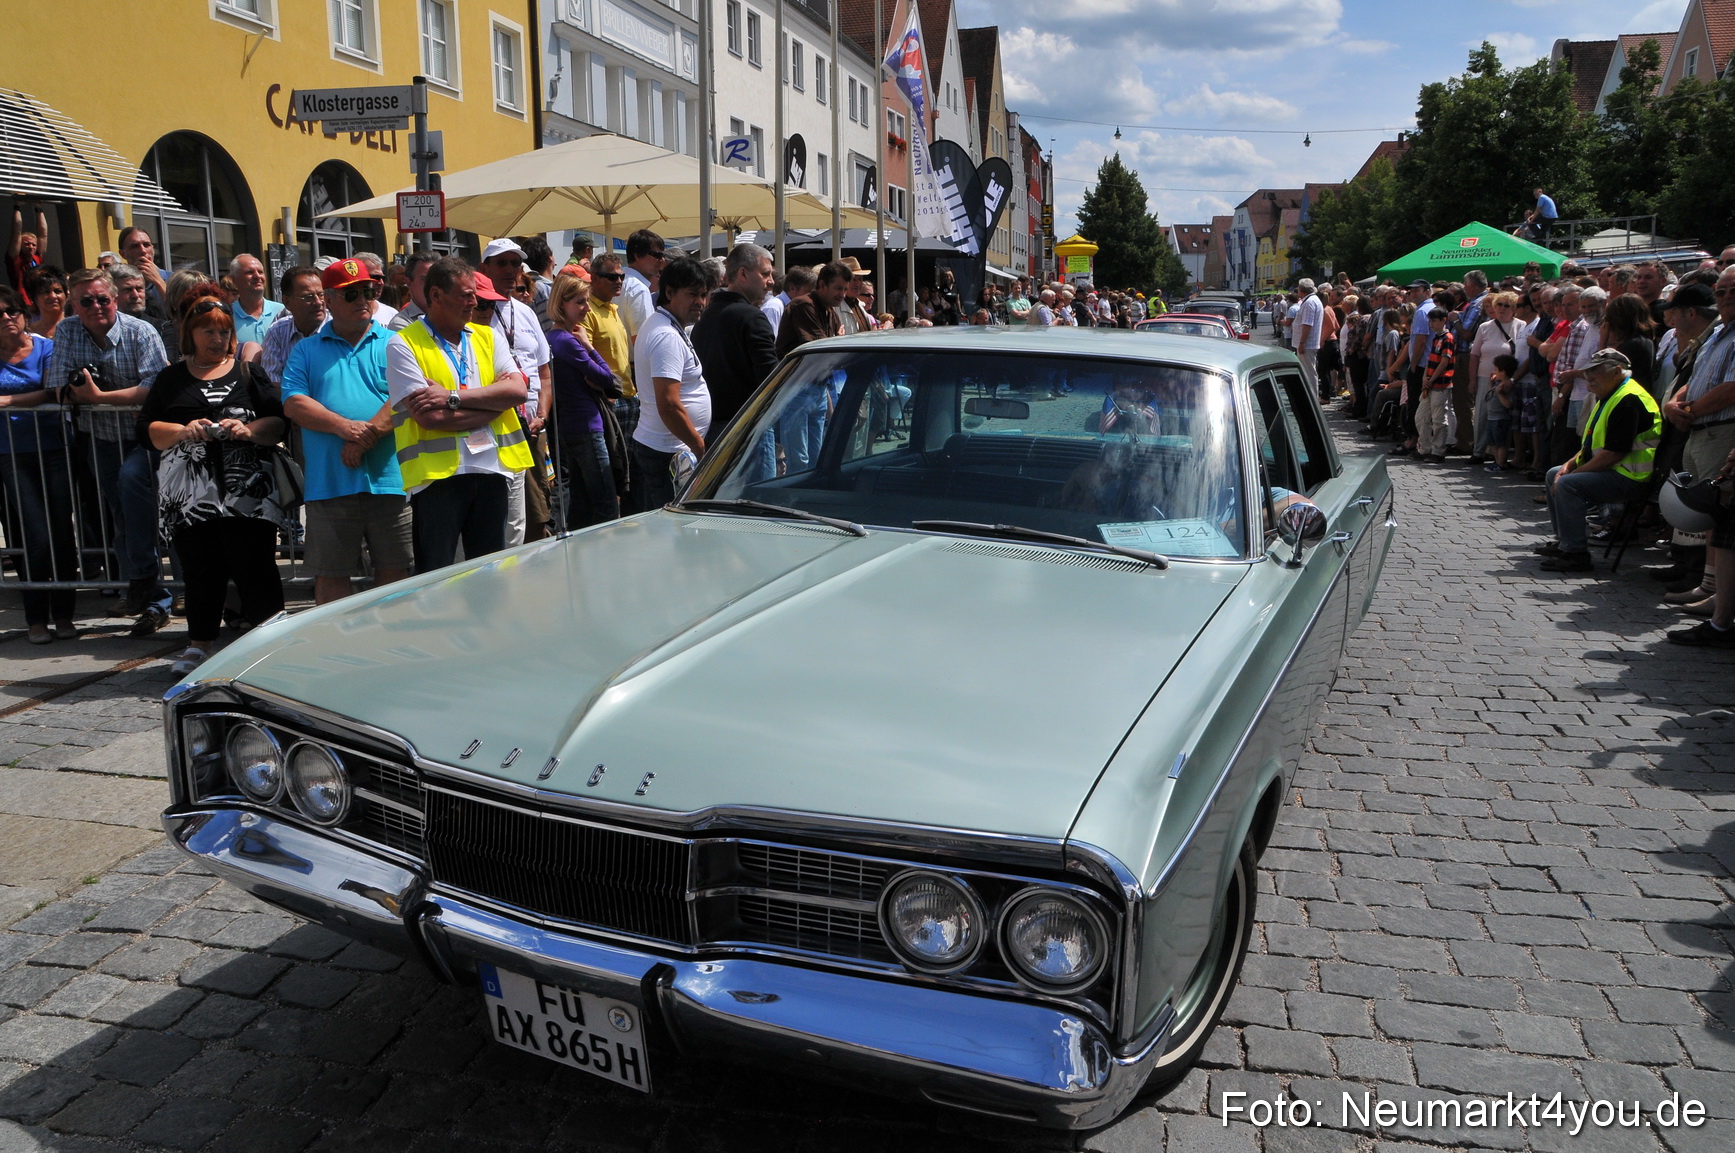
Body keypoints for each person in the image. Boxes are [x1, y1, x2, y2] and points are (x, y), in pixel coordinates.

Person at [137, 290, 288, 676]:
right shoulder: (170, 379)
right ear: (190, 333)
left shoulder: (248, 373)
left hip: (247, 493)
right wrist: (182, 431)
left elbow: (277, 422)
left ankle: (273, 646)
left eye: (223, 332)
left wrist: (249, 429)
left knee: (256, 567)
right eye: (208, 331)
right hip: (188, 498)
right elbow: (146, 431)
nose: (217, 339)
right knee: (200, 570)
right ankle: (198, 645)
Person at [386, 257, 532, 572]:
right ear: (436, 295)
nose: (474, 302)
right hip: (437, 480)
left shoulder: (487, 337)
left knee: (489, 573)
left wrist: (451, 397)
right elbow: (430, 419)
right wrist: (494, 405)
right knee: (438, 576)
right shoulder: (403, 344)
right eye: (466, 295)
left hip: (491, 470)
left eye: (474, 295)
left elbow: (518, 392)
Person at [45, 267, 171, 629]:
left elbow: (155, 387)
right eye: (86, 301)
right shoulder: (68, 330)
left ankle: (156, 587)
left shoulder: (140, 331)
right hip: (101, 439)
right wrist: (108, 398)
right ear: (73, 305)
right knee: (122, 516)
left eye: (103, 299)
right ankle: (146, 593)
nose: (96, 307)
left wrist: (99, 396)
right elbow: (58, 386)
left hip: (145, 438)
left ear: (115, 299)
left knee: (142, 498)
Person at [279, 258, 409, 605]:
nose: (363, 300)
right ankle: (335, 638)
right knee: (331, 573)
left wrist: (365, 439)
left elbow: (406, 396)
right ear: (329, 300)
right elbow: (293, 403)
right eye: (352, 294)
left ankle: (389, 635)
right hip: (329, 484)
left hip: (391, 480)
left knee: (396, 572)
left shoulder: (396, 343)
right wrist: (345, 428)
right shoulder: (306, 349)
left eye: (368, 291)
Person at [1536, 349, 1661, 573]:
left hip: (1632, 476)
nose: (1589, 378)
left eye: (1595, 372)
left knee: (1567, 484)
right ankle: (1565, 541)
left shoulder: (1628, 399)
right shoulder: (1610, 395)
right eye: (1588, 372)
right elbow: (1590, 447)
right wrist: (1568, 466)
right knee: (1554, 473)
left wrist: (1573, 474)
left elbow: (1613, 454)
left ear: (1617, 372)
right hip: (1617, 469)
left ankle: (1575, 554)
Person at [0, 285, 77, 643]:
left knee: (61, 532)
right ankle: (36, 618)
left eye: (11, 310)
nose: (6, 318)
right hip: (11, 455)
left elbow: (52, 389)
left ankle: (63, 614)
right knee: (35, 534)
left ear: (24, 313)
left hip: (55, 448)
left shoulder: (46, 348)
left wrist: (6, 401)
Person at [1660, 268, 1735, 613]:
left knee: (1719, 513)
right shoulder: (1718, 332)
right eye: (1721, 292)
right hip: (1700, 430)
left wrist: (1689, 410)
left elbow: (1731, 389)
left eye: (1734, 291)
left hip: (1721, 430)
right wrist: (1675, 403)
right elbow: (1698, 376)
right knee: (1708, 513)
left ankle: (1717, 593)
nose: (1727, 297)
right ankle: (1709, 585)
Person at [478, 239, 553, 544]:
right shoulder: (477, 310)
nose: (510, 270)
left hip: (533, 427)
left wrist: (543, 415)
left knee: (537, 508)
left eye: (515, 264)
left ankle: (532, 564)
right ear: (484, 268)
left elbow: (544, 372)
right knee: (500, 515)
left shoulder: (525, 312)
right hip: (495, 426)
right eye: (501, 263)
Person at [631, 256, 711, 509]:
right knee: (670, 527)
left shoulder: (666, 326)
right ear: (669, 292)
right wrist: (699, 446)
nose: (700, 302)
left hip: (668, 449)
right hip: (668, 454)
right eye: (692, 294)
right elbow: (668, 404)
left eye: (703, 295)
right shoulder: (666, 335)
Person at [546, 274, 623, 527]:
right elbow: (608, 378)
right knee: (606, 505)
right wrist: (589, 345)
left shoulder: (552, 338)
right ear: (562, 303)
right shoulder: (567, 342)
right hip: (587, 426)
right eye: (580, 302)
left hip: (570, 428)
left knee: (581, 504)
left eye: (587, 301)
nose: (587, 308)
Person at [692, 243, 777, 433]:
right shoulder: (752, 317)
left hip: (710, 425)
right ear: (743, 274)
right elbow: (770, 378)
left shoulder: (705, 315)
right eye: (765, 274)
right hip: (748, 427)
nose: (771, 281)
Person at [1468, 291, 1519, 466]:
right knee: (1482, 415)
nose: (1502, 308)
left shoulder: (1520, 326)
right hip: (1484, 376)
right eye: (1499, 305)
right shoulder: (1484, 327)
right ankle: (1478, 451)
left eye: (1507, 305)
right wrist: (1472, 380)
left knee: (1502, 417)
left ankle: (1497, 453)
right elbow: (1474, 355)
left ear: (1514, 309)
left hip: (1507, 380)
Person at [260, 266, 326, 386]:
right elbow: (272, 381)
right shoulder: (277, 332)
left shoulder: (338, 328)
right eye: (308, 297)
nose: (318, 302)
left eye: (321, 295)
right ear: (287, 302)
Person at [1417, 304, 1456, 463]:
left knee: (1439, 419)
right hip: (1429, 383)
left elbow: (1444, 362)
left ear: (1443, 320)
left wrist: (1431, 379)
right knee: (1421, 417)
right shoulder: (1436, 338)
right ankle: (1424, 448)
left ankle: (1438, 451)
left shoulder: (1448, 338)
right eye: (1430, 321)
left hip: (1441, 384)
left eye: (1434, 321)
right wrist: (1425, 377)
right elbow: (1430, 360)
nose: (1431, 324)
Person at [227, 254, 285, 347]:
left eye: (260, 272)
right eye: (250, 272)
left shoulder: (282, 312)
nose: (257, 276)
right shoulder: (227, 316)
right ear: (234, 280)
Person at [7, 205, 47, 310]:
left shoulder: (37, 258)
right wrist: (17, 207)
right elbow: (16, 233)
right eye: (27, 244)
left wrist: (39, 209)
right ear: (20, 245)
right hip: (24, 304)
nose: (31, 247)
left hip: (38, 302)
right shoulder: (16, 260)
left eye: (34, 245)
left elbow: (43, 235)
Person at [1484, 354, 1519, 472]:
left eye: (1496, 370)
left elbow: (1508, 404)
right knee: (1493, 442)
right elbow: (1490, 396)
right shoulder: (1497, 384)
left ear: (1503, 372)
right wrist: (1491, 385)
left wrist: (1500, 394)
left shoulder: (1506, 386)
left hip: (1501, 418)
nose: (1494, 372)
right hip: (1491, 417)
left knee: (1501, 443)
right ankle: (1497, 461)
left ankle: (1501, 463)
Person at [386, 252, 435, 333]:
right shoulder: (400, 324)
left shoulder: (453, 314)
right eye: (425, 279)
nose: (433, 285)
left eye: (438, 278)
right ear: (409, 282)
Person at [25, 268, 65, 338]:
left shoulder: (76, 326)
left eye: (57, 291)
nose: (53, 296)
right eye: (46, 292)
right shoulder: (29, 333)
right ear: (34, 298)